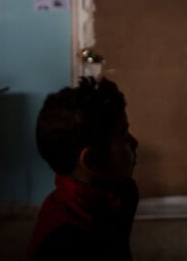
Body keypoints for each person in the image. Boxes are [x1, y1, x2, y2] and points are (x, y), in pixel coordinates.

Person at [28, 76, 139, 260]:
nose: (134, 142)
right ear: (91, 160)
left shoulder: (123, 193)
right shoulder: (65, 241)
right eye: (124, 134)